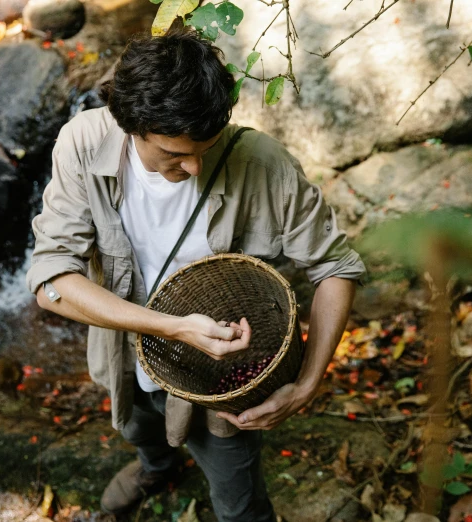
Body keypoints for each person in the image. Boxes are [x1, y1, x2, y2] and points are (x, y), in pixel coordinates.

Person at [26, 27, 366, 522]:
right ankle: (156, 466)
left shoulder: (262, 164)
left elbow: (336, 267)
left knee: (238, 498)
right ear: (130, 126)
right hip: (124, 351)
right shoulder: (83, 141)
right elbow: (52, 282)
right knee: (137, 426)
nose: (194, 165)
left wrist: (309, 381)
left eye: (206, 147)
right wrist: (171, 327)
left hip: (222, 382)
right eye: (173, 154)